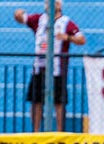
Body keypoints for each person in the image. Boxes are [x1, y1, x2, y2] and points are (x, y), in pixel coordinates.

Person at [14, 0, 86, 132]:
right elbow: (21, 18)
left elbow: (81, 39)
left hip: (57, 68)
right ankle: (35, 132)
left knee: (59, 101)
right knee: (36, 100)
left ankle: (59, 131)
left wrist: (67, 38)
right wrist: (18, 13)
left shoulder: (66, 22)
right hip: (39, 66)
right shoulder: (39, 19)